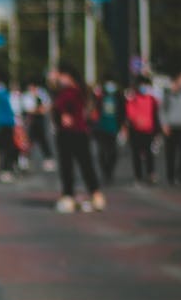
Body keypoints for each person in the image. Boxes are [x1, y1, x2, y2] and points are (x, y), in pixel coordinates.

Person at [50, 63, 105, 213]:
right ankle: (96, 195)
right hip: (81, 132)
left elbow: (58, 108)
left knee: (67, 166)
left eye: (59, 75)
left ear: (67, 76)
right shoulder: (82, 90)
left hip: (68, 133)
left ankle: (68, 196)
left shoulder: (68, 92)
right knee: (86, 164)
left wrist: (62, 115)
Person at [125, 77, 161, 185]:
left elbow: (156, 115)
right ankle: (138, 176)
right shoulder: (133, 99)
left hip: (148, 131)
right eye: (142, 85)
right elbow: (130, 114)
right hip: (136, 131)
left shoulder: (152, 100)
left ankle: (150, 174)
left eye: (146, 85)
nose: (144, 88)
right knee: (136, 154)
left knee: (149, 154)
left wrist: (157, 131)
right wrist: (136, 121)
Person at [91, 79, 124, 186]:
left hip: (114, 128)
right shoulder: (100, 98)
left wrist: (123, 126)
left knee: (113, 152)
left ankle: (109, 171)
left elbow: (123, 113)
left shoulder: (118, 98)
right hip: (100, 129)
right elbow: (93, 111)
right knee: (102, 151)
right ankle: (105, 172)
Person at [21, 81, 55, 171]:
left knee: (43, 140)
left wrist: (39, 109)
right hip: (30, 120)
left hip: (40, 120)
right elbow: (28, 109)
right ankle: (25, 160)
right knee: (28, 140)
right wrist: (38, 110)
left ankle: (48, 159)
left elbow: (47, 106)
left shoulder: (42, 94)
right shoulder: (26, 95)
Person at [160, 72, 181, 186]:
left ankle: (178, 176)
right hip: (171, 128)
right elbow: (162, 111)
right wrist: (164, 124)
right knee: (170, 154)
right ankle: (170, 177)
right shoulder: (168, 95)